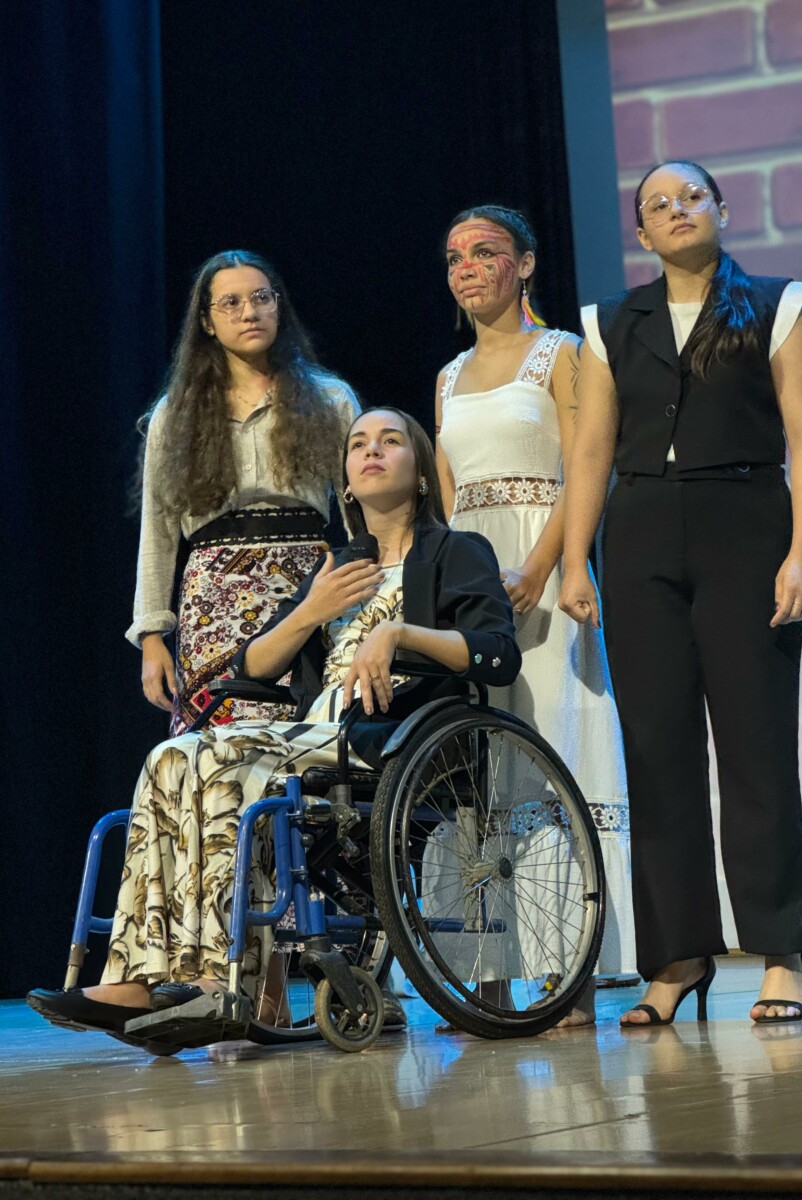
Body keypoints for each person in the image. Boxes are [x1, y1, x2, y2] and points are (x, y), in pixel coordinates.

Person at [27, 408, 521, 1038]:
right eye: (358, 444)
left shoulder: (455, 551)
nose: (371, 451)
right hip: (320, 735)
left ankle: (217, 980)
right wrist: (311, 609)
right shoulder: (336, 565)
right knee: (171, 756)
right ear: (345, 482)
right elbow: (253, 664)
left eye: (390, 441)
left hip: (398, 737)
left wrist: (397, 634)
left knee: (222, 765)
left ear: (421, 473)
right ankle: (140, 974)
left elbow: (498, 653)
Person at [560, 160, 802, 1026]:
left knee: (757, 746)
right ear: (641, 233)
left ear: (722, 209)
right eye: (657, 204)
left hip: (745, 525)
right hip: (640, 533)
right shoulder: (610, 321)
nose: (676, 210)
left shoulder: (777, 304)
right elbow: (592, 448)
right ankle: (677, 956)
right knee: (658, 754)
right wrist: (575, 559)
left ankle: (782, 951)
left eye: (691, 197)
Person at [435, 205, 636, 1021]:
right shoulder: (447, 376)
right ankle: (483, 969)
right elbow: (449, 499)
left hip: (542, 567)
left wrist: (547, 563)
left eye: (485, 252)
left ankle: (568, 970)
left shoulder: (562, 353)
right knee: (477, 765)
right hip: (475, 578)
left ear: (524, 263)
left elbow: (589, 463)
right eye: (455, 257)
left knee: (552, 747)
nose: (467, 267)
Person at [130, 249, 359, 736]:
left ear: (278, 306)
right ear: (207, 322)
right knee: (220, 743)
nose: (249, 312)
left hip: (305, 586)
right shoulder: (175, 414)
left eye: (261, 298)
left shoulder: (330, 399)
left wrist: (373, 592)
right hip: (214, 597)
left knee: (306, 737)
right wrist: (152, 636)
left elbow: (358, 508)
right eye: (230, 303)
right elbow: (159, 527)